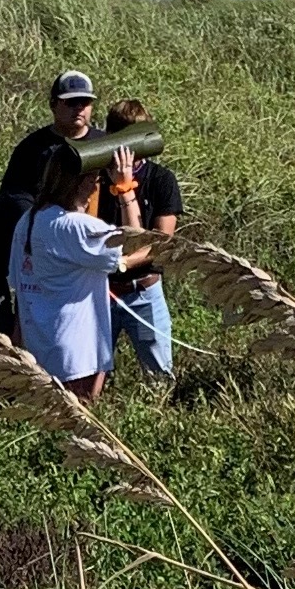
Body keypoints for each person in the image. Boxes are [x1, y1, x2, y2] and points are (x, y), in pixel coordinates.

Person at [8, 141, 148, 398]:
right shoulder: (76, 227)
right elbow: (137, 241)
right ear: (79, 183)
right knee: (78, 427)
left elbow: (20, 291)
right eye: (93, 178)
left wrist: (17, 348)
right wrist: (126, 187)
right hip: (77, 355)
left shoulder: (28, 220)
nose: (96, 185)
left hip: (39, 348)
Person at [96, 95, 181, 384]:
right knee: (92, 374)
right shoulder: (92, 181)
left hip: (144, 292)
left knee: (159, 376)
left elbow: (160, 243)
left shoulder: (161, 180)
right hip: (100, 293)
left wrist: (122, 263)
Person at [2, 70, 97, 198]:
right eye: (71, 102)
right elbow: (15, 195)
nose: (79, 107)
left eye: (85, 101)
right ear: (53, 104)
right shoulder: (32, 147)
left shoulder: (104, 143)